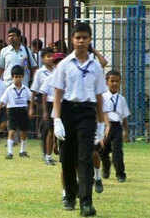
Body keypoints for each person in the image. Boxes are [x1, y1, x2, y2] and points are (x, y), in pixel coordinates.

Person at [50, 23, 106, 216]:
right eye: (77, 37)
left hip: (87, 112)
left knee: (85, 158)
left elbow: (99, 96)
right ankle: (70, 195)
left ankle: (86, 202)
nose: (81, 41)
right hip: (67, 111)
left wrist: (100, 123)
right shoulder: (65, 64)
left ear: (90, 40)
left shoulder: (96, 66)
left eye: (84, 37)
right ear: (72, 40)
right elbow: (57, 94)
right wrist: (56, 119)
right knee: (67, 157)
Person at [0, 65, 32, 160]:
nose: (18, 79)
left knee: (23, 131)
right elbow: (2, 102)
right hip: (12, 111)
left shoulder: (25, 89)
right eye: (16, 77)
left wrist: (31, 109)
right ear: (12, 77)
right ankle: (10, 152)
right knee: (11, 131)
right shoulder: (9, 89)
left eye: (20, 77)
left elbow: (31, 99)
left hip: (22, 109)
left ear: (22, 77)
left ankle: (22, 151)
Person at [99, 70, 130, 183]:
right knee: (103, 151)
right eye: (112, 81)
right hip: (104, 126)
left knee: (117, 151)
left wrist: (126, 132)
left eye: (117, 81)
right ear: (106, 82)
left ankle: (120, 174)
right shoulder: (102, 97)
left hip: (117, 127)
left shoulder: (122, 99)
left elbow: (125, 117)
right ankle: (106, 168)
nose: (115, 84)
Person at [39, 52, 65, 165]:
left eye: (61, 62)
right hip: (52, 104)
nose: (59, 64)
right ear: (54, 65)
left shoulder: (68, 77)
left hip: (64, 105)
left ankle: (64, 155)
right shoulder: (50, 78)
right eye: (57, 62)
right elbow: (44, 94)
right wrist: (45, 111)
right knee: (51, 131)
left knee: (65, 132)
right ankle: (48, 156)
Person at [29, 47, 54, 159]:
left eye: (52, 56)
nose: (50, 58)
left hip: (56, 100)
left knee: (55, 128)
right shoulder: (39, 72)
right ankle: (46, 152)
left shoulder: (57, 70)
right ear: (42, 59)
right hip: (43, 101)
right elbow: (34, 90)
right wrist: (31, 107)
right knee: (46, 127)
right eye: (47, 56)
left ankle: (54, 149)